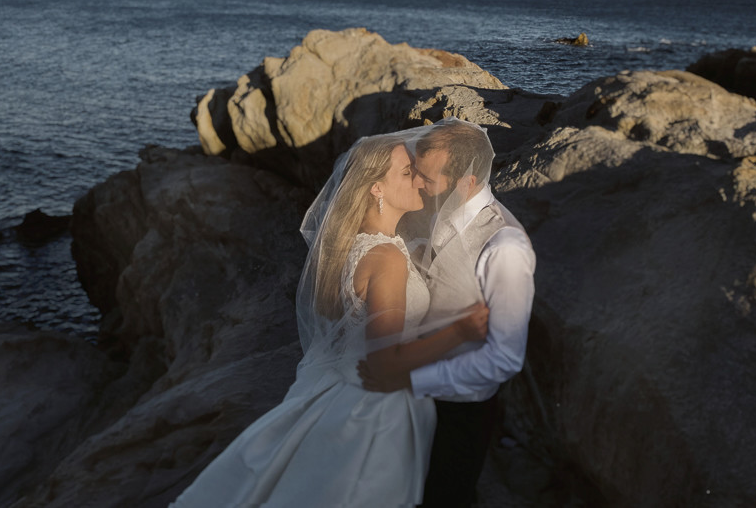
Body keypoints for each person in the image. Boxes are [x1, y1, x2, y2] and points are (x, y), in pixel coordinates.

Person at [171, 131, 490, 507]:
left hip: (341, 389)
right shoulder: (386, 258)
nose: (420, 179)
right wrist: (461, 330)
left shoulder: (356, 244)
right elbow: (385, 361)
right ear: (376, 189)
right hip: (374, 413)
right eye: (407, 173)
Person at [360, 118, 536, 508]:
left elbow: (504, 358)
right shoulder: (436, 209)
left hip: (460, 412)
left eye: (427, 178)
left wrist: (413, 380)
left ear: (466, 182)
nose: (418, 184)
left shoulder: (505, 247)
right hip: (407, 397)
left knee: (446, 496)